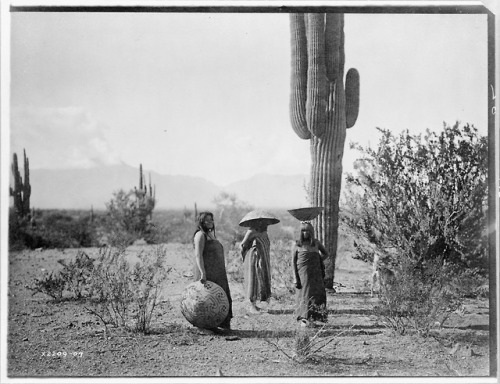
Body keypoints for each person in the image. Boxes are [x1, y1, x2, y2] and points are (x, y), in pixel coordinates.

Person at [193, 211, 232, 331]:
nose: (210, 222)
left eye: (211, 220)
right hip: (207, 272)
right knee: (208, 299)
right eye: (207, 220)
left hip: (218, 273)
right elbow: (198, 255)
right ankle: (207, 327)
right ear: (201, 222)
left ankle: (222, 324)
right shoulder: (200, 235)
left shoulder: (210, 235)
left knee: (221, 298)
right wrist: (203, 273)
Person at [292, 221, 328, 326]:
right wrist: (295, 278)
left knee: (317, 294)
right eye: (303, 231)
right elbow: (293, 262)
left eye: (308, 231)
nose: (305, 233)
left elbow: (326, 253)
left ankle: (314, 317)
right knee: (304, 294)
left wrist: (318, 261)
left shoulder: (316, 243)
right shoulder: (297, 244)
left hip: (316, 273)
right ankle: (303, 319)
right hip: (303, 274)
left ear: (311, 232)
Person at [239, 219, 272, 313]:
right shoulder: (251, 231)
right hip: (254, 258)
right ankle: (251, 305)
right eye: (261, 221)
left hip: (263, 259)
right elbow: (242, 244)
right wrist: (246, 254)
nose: (263, 223)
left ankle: (256, 303)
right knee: (253, 279)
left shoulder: (264, 232)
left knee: (261, 280)